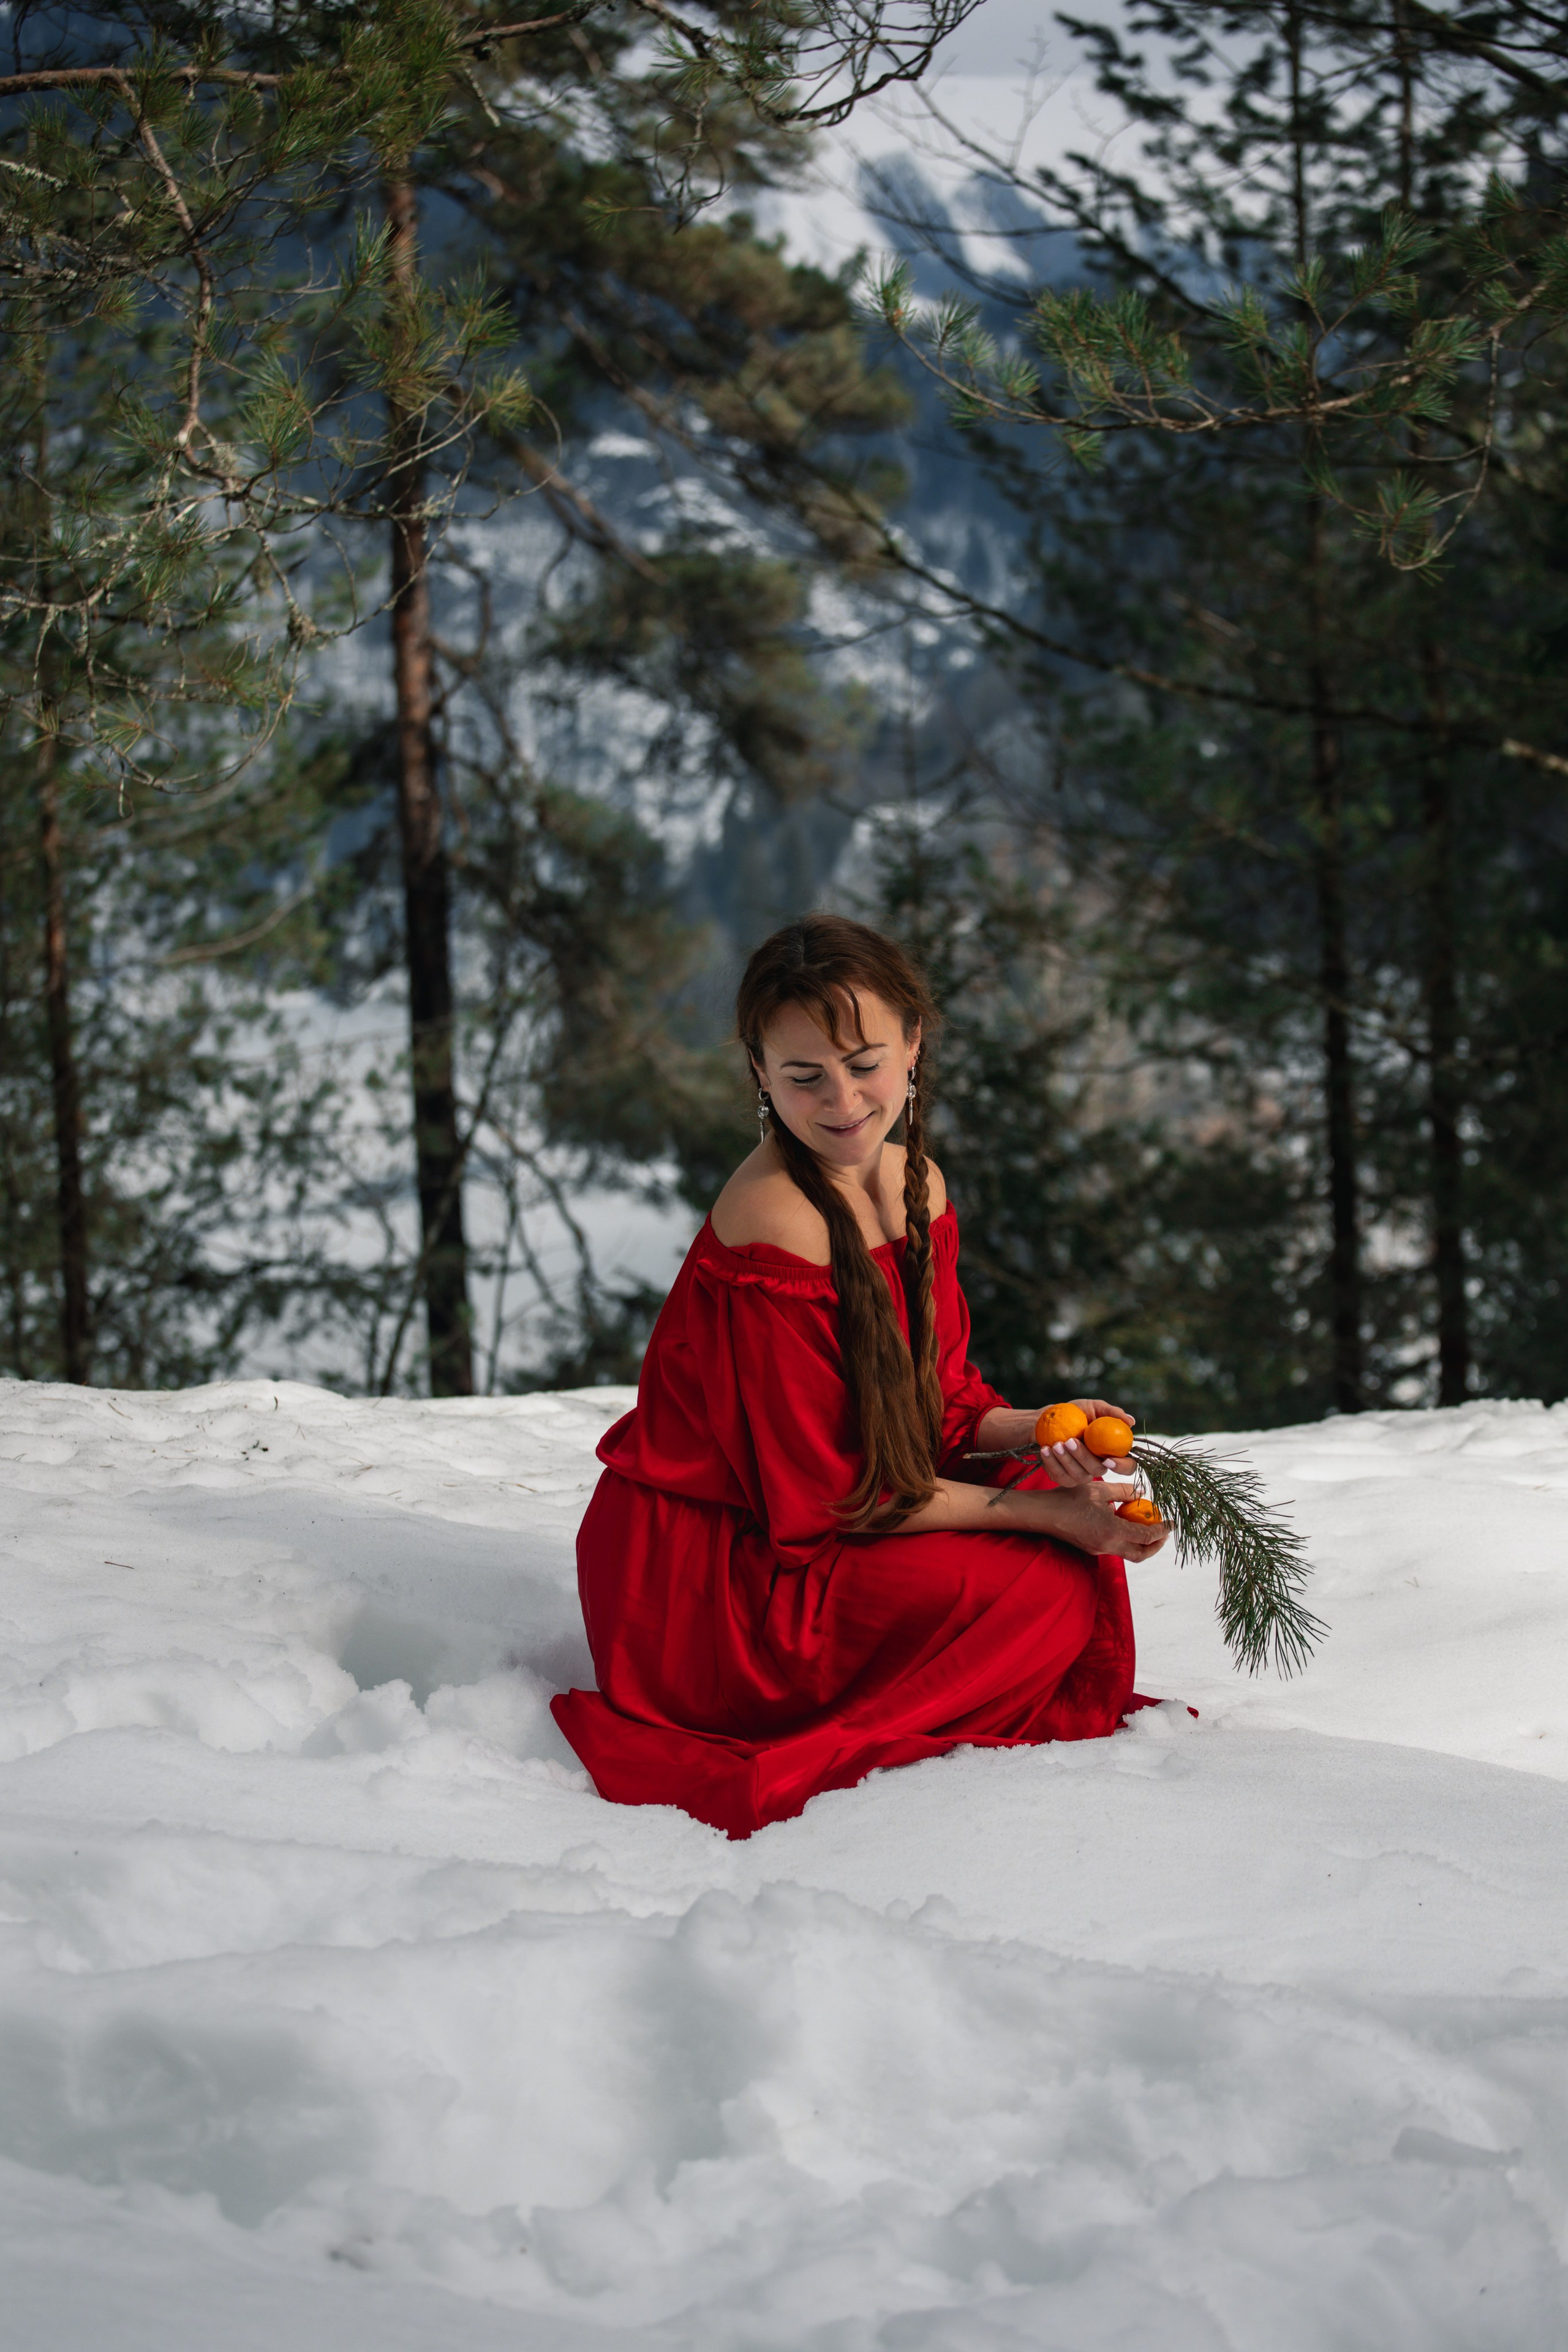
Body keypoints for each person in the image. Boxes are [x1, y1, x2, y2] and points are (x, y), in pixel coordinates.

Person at [551, 915, 1170, 1837]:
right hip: (717, 1584)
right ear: (760, 1073)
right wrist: (1045, 1517)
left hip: (845, 1506)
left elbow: (944, 1402)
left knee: (1063, 1501)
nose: (841, 1100)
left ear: (914, 1042)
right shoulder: (776, 1223)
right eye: (804, 1076)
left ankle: (988, 1654)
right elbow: (834, 1495)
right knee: (1044, 1576)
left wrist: (1045, 1424)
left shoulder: (919, 1181)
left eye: (864, 1062)